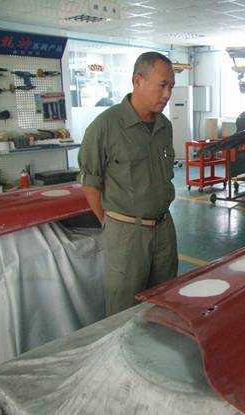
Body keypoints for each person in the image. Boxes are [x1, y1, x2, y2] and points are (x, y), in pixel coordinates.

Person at [78, 52, 178, 316]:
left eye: (171, 87)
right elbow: (90, 183)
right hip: (126, 233)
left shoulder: (164, 126)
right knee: (124, 309)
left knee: (164, 301)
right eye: (162, 85)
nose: (167, 94)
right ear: (138, 81)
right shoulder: (105, 126)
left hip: (164, 229)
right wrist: (111, 223)